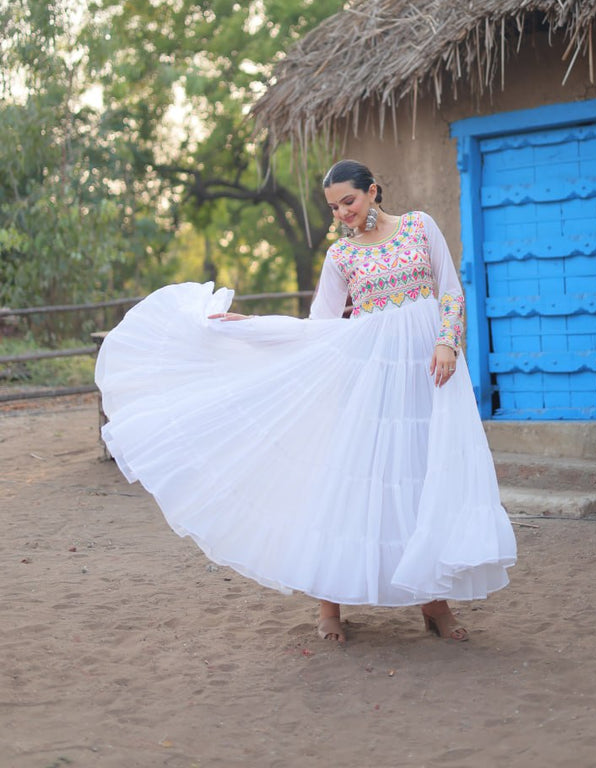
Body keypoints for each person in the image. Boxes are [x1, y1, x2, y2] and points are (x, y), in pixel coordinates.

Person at [96, 160, 516, 644]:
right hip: (371, 382)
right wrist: (251, 327)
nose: (342, 213)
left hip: (430, 374)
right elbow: (318, 330)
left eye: (349, 201)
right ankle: (329, 609)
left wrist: (447, 341)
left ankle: (434, 604)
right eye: (334, 207)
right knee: (357, 484)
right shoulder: (341, 257)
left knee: (425, 478)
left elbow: (449, 289)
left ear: (373, 191)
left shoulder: (421, 227)